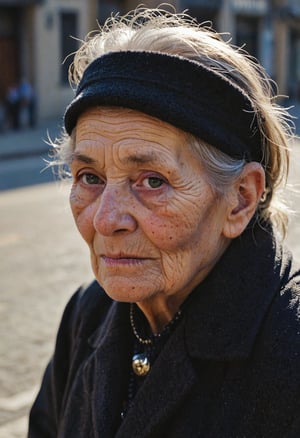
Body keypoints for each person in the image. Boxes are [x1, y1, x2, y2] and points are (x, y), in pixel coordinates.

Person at [28, 6, 300, 437]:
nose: (105, 219)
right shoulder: (89, 313)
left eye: (152, 181)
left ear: (240, 199)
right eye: (90, 177)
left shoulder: (288, 348)